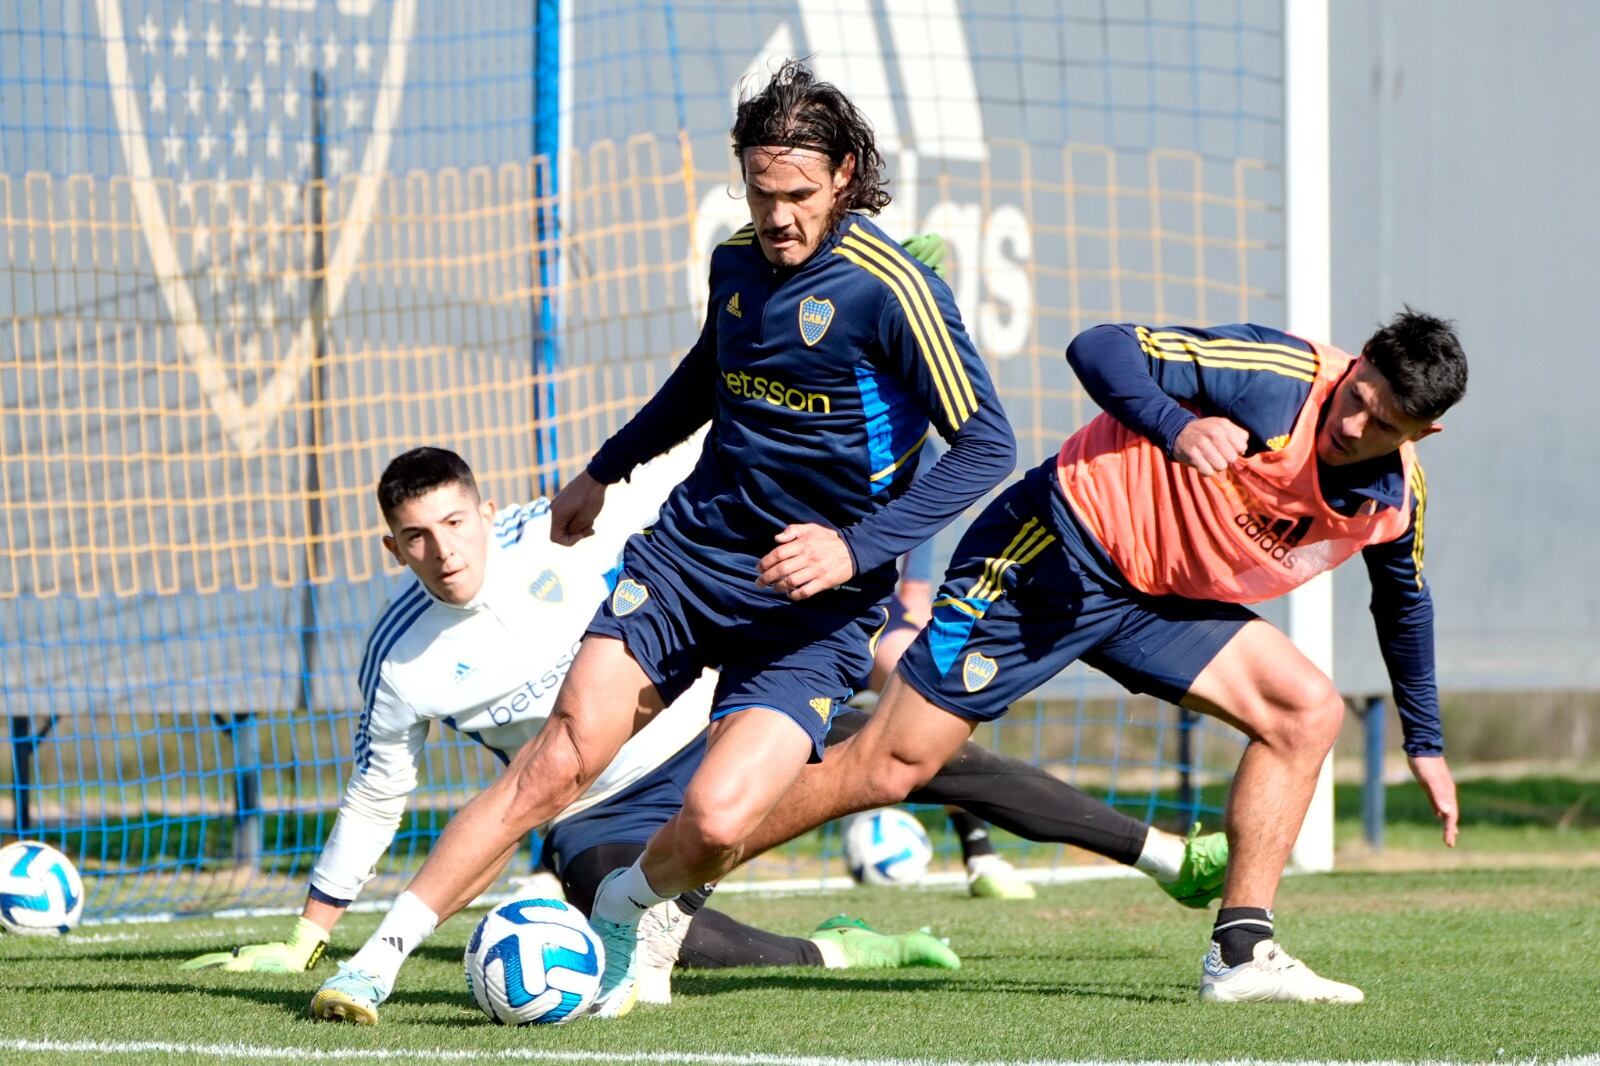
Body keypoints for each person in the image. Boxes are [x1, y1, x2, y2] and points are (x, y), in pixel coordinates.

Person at [309, 58, 1020, 1022]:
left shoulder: (893, 289)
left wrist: (854, 550)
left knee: (720, 821)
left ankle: (623, 906)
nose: (777, 218)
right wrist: (604, 469)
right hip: (691, 561)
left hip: (814, 608)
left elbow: (988, 445)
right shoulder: (738, 264)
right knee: (558, 760)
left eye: (798, 196)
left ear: (846, 175)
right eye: (760, 193)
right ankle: (375, 963)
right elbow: (704, 376)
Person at [185, 443, 1224, 1020]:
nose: (443, 550)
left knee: (915, 748)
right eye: (416, 537)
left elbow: (687, 449)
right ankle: (835, 950)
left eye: (454, 523)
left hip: (706, 734)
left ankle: (1167, 855)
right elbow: (378, 793)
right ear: (393, 547)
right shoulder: (399, 657)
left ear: (483, 511)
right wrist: (310, 931)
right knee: (643, 922)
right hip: (592, 812)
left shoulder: (563, 533)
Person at [714, 311, 1468, 1004]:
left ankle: (1241, 955)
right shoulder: (1275, 376)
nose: (1354, 424)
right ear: (1357, 363)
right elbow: (1100, 346)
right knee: (892, 763)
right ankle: (673, 883)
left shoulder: (1395, 500)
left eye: (1383, 423)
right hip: (1057, 548)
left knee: (1306, 712)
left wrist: (1426, 744)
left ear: (1423, 433)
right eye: (1358, 396)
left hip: (1158, 599)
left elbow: (1404, 603)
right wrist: (1177, 428)